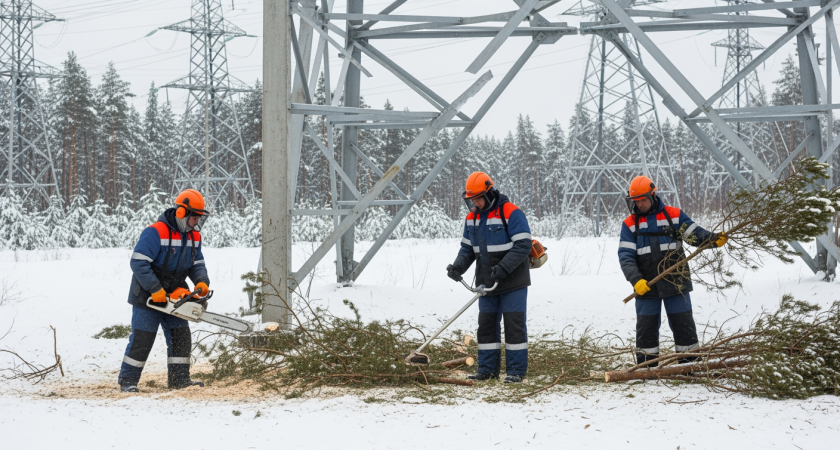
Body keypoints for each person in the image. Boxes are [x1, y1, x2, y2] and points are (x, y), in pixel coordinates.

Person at [618, 176, 727, 367]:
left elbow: (695, 235)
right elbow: (625, 256)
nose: (640, 205)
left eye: (643, 200)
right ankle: (646, 367)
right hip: (646, 286)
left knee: (683, 324)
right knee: (646, 328)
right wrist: (636, 280)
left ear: (653, 195)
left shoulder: (674, 215)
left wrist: (712, 239)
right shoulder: (629, 224)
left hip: (677, 282)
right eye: (636, 201)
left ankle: (689, 364)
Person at [117, 189, 212, 393]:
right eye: (194, 218)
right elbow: (139, 262)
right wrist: (155, 288)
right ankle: (128, 381)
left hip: (175, 296)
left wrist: (201, 281)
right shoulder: (156, 231)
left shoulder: (194, 236)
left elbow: (197, 264)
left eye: (198, 218)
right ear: (181, 213)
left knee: (181, 337)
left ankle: (179, 380)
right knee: (142, 338)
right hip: (148, 296)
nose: (197, 222)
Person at [447, 172, 532, 383]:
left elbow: (523, 245)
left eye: (477, 198)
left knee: (514, 327)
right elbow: (467, 249)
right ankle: (487, 369)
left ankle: (515, 371)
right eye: (471, 199)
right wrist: (458, 267)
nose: (474, 203)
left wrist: (503, 268)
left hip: (513, 281)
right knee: (485, 327)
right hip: (486, 281)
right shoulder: (471, 218)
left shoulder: (511, 212)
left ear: (489, 192)